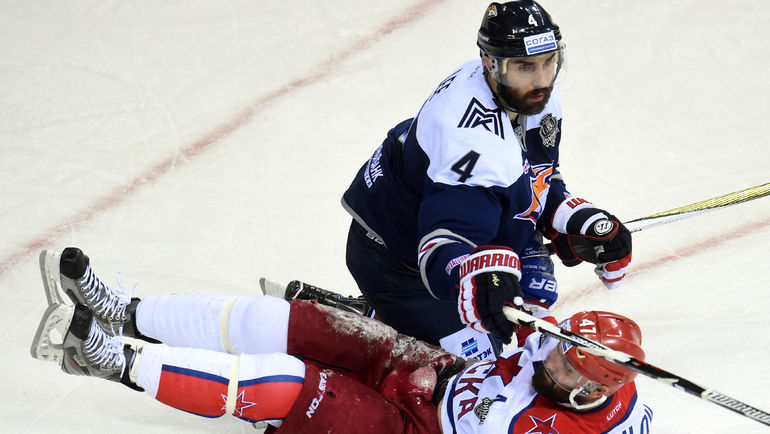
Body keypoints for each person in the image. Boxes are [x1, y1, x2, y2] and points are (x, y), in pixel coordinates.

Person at [31, 247, 652, 433]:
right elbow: (533, 323)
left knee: (282, 384)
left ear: (585, 394)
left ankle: (115, 362)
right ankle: (126, 312)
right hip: (430, 369)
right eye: (563, 350)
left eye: (567, 365)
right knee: (276, 320)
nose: (553, 358)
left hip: (412, 430)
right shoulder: (582, 373)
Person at [339, 0, 633, 360]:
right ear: (489, 63)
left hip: (427, 211)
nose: (541, 80)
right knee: (473, 370)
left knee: (530, 294)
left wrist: (570, 216)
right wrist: (478, 276)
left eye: (549, 62)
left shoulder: (525, 95)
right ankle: (377, 325)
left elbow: (531, 176)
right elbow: (440, 249)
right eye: (525, 66)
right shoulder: (474, 144)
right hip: (397, 266)